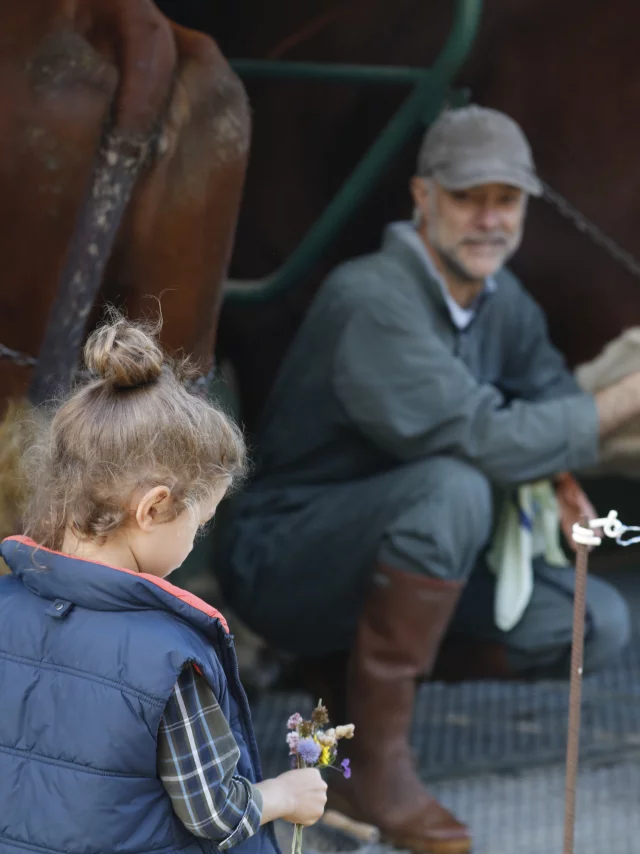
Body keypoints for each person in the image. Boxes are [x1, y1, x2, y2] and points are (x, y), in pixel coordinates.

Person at [216, 106, 640, 854]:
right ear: (422, 197)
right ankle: (375, 766)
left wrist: (562, 465)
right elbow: (487, 440)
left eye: (504, 200)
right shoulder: (371, 295)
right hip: (284, 560)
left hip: (401, 558)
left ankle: (341, 685)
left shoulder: (504, 303)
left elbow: (552, 403)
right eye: (466, 196)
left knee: (590, 623)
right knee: (457, 484)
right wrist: (629, 393)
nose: (488, 219)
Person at [0, 316, 327, 854]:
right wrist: (284, 795)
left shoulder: (7, 603)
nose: (197, 542)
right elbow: (216, 816)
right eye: (199, 526)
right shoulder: (168, 660)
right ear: (153, 508)